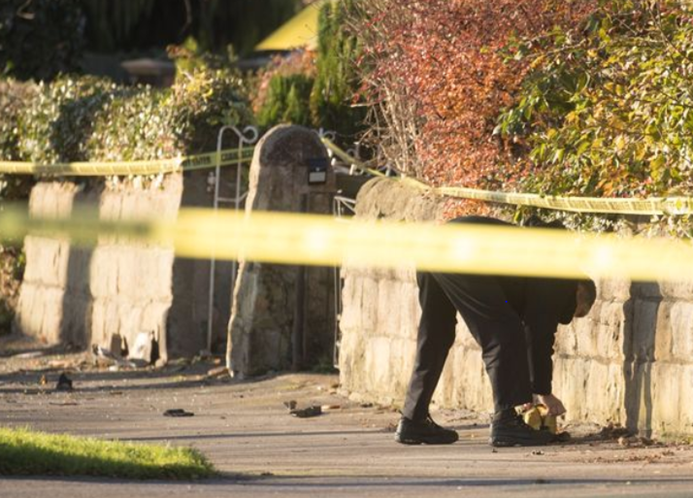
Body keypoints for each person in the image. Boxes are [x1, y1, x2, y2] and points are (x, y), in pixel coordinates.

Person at [395, 215, 597, 447]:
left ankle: (413, 420)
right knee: (504, 333)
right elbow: (538, 334)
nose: (568, 317)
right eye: (576, 311)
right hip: (464, 250)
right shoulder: (561, 276)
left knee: (435, 335)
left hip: (433, 246)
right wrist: (543, 392)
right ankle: (506, 423)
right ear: (580, 290)